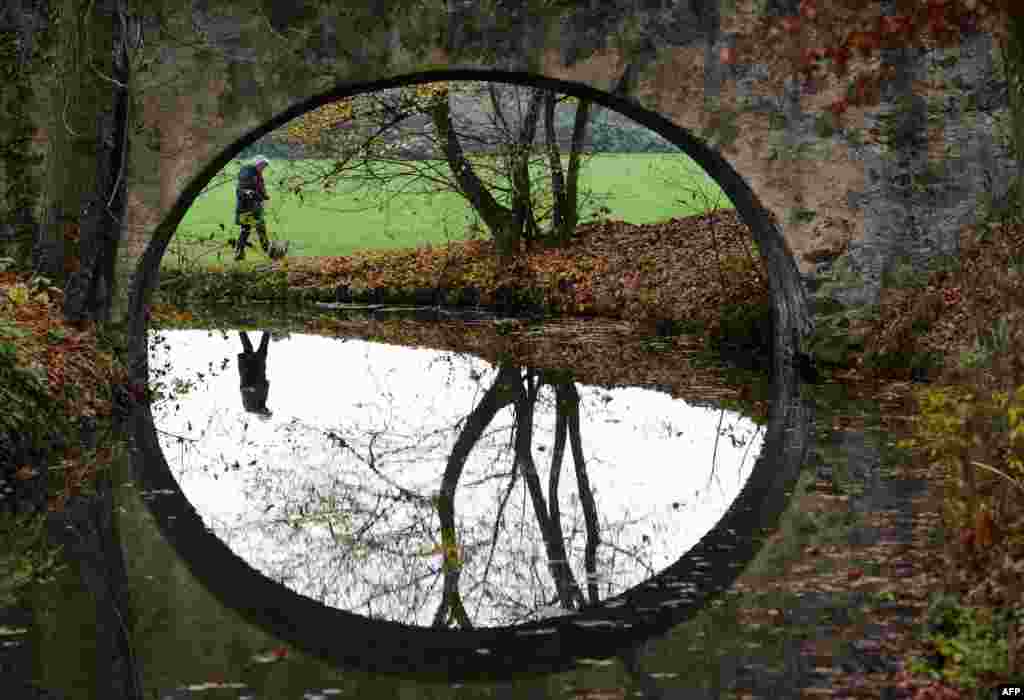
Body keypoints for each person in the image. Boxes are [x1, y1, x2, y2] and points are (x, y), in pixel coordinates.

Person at [234, 155, 272, 261]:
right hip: (247, 208)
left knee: (258, 229)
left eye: (265, 166)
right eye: (263, 165)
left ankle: (266, 250)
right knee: (247, 229)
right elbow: (242, 191)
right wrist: (255, 195)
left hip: (254, 207)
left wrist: (265, 197)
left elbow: (259, 189)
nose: (264, 168)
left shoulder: (256, 174)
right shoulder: (248, 173)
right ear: (257, 164)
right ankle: (240, 252)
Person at [237, 331, 272, 417]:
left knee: (250, 350)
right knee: (260, 352)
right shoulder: (261, 403)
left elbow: (243, 389)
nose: (267, 409)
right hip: (258, 372)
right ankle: (267, 331)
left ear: (263, 414)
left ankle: (242, 330)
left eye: (267, 412)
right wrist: (266, 384)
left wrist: (252, 388)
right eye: (268, 411)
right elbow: (263, 389)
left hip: (249, 371)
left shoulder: (250, 407)